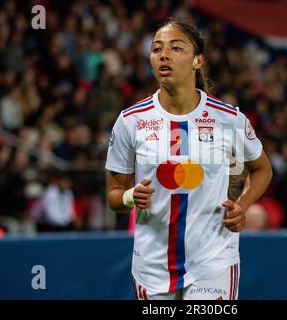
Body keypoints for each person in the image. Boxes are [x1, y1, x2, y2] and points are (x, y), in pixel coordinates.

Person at [105, 19, 272, 300]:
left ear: (197, 60)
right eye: (157, 49)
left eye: (176, 48)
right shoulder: (130, 121)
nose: (164, 55)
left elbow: (262, 169)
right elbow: (113, 195)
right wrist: (132, 196)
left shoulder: (228, 119)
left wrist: (242, 206)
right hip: (152, 265)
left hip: (214, 259)